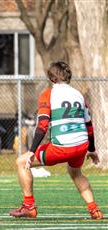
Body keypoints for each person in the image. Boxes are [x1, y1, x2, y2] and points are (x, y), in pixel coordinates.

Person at [10, 61, 103, 220]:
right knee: (75, 172)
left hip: (62, 146)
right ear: (69, 77)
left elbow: (42, 125)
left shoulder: (48, 94)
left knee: (21, 162)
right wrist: (92, 149)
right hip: (81, 145)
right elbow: (89, 125)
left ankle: (29, 207)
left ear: (51, 79)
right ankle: (94, 210)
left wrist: (32, 151)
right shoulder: (78, 94)